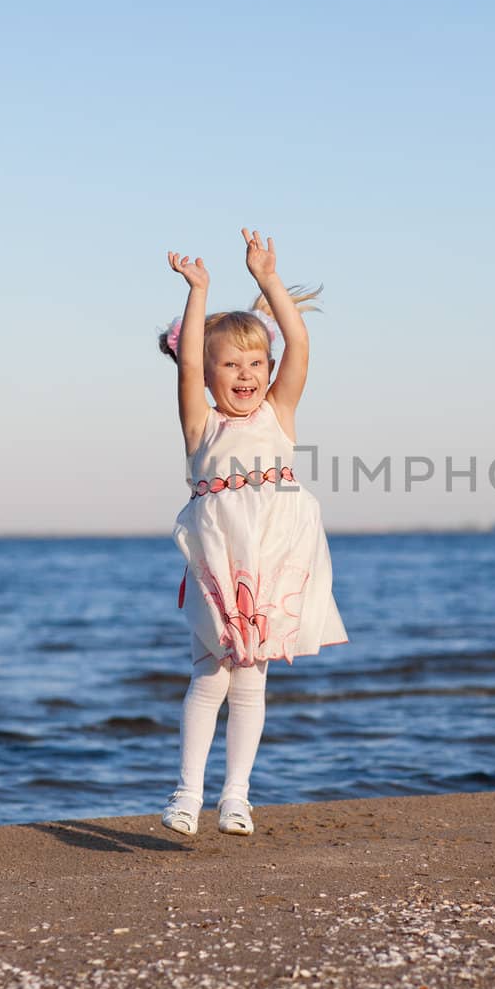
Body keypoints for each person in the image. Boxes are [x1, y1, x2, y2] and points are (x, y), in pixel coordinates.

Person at [156, 228, 348, 838]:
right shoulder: (201, 426)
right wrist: (201, 290)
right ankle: (187, 793)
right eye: (231, 365)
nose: (246, 375)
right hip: (218, 560)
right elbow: (188, 357)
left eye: (255, 364)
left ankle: (235, 796)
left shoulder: (278, 415)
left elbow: (300, 340)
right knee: (210, 673)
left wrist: (267, 278)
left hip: (272, 559)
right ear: (210, 375)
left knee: (252, 679)